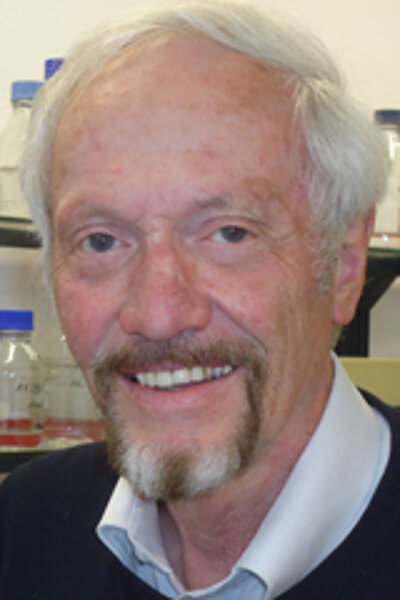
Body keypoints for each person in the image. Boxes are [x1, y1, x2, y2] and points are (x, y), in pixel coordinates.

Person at [1, 1, 399, 598]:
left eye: (230, 234)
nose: (159, 315)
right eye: (102, 241)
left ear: (343, 263)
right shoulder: (24, 527)